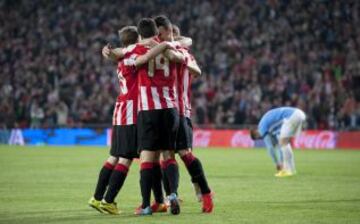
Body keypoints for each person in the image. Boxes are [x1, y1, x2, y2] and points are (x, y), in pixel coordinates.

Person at [88, 25, 175, 215]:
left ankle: (97, 197)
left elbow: (118, 53)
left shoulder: (124, 55)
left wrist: (108, 52)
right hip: (133, 111)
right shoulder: (133, 55)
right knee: (137, 157)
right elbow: (144, 57)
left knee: (116, 156)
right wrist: (165, 43)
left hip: (121, 110)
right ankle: (109, 200)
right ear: (137, 40)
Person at [157, 21, 214, 213]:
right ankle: (179, 195)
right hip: (173, 110)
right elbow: (197, 72)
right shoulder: (179, 51)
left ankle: (200, 193)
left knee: (176, 155)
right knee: (175, 154)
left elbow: (196, 71)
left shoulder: (175, 52)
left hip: (174, 111)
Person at [132, 17, 184, 216]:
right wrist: (166, 44)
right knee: (168, 155)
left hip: (149, 109)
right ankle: (173, 195)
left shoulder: (139, 49)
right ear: (158, 32)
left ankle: (146, 205)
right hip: (170, 109)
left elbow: (129, 58)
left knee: (147, 158)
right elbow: (180, 54)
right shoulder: (172, 49)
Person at [250, 107, 306, 177]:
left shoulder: (261, 128)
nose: (261, 138)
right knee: (284, 143)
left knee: (283, 143)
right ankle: (292, 169)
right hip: (299, 113)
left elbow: (270, 148)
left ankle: (285, 170)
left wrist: (277, 163)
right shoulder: (270, 125)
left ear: (255, 132)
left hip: (292, 116)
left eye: (258, 138)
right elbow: (278, 145)